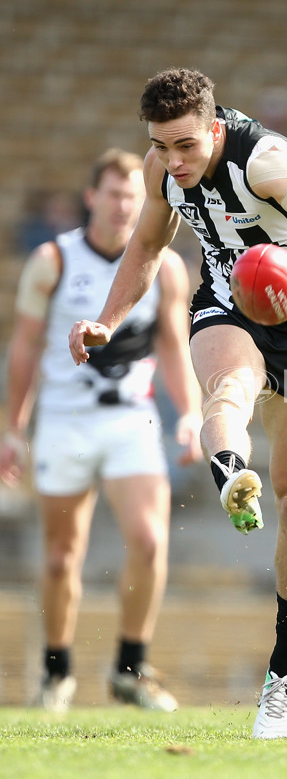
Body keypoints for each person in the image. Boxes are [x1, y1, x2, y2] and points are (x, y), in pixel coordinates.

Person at [67, 69, 287, 737]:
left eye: (184, 146)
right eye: (160, 145)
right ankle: (232, 471)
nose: (172, 162)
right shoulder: (159, 167)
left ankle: (282, 675)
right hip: (227, 298)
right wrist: (108, 321)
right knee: (228, 387)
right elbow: (148, 245)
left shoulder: (265, 159)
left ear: (212, 128)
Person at [0, 148, 203, 712]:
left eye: (134, 197)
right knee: (63, 556)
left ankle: (131, 668)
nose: (122, 206)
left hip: (129, 422)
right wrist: (12, 428)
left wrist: (188, 413)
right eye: (113, 194)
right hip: (64, 423)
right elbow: (24, 348)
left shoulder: (165, 265)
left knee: (150, 539)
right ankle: (57, 669)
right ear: (92, 198)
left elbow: (171, 347)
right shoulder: (54, 260)